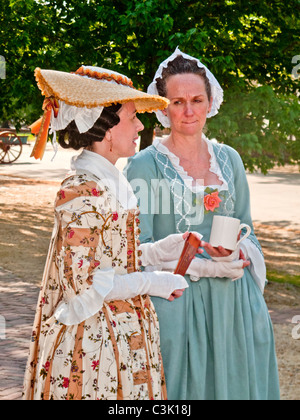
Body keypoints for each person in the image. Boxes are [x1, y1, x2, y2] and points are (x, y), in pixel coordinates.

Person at [22, 64, 190, 400]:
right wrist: (153, 282)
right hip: (93, 347)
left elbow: (111, 257)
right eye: (132, 117)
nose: (141, 125)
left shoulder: (108, 183)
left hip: (124, 336)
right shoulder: (81, 190)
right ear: (106, 129)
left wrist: (159, 252)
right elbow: (82, 285)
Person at [125, 47, 280, 400]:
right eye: (177, 102)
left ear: (211, 102)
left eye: (196, 99)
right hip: (179, 304)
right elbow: (139, 248)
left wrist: (237, 254)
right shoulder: (143, 166)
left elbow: (247, 228)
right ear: (163, 107)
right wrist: (205, 267)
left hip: (235, 304)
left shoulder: (230, 159)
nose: (188, 110)